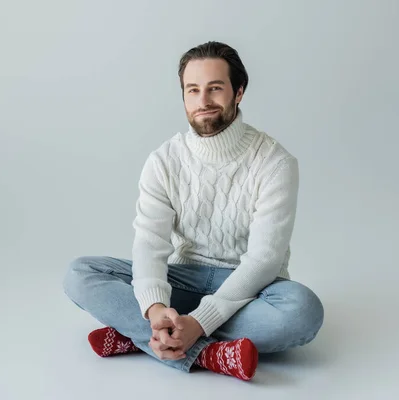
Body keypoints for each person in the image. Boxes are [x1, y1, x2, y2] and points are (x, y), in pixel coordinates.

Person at [62, 41, 324, 382]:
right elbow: (149, 244)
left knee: (303, 311)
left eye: (215, 88)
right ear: (183, 95)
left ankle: (140, 336)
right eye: (193, 90)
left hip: (249, 286)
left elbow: (264, 261)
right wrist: (156, 309)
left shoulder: (275, 163)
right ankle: (206, 353)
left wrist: (200, 320)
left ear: (239, 92)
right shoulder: (163, 161)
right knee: (80, 274)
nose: (203, 101)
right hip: (182, 279)